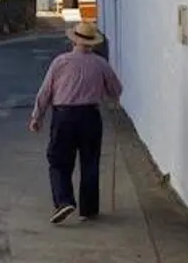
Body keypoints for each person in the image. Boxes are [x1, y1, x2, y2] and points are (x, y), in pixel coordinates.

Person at [28, 21, 123, 224]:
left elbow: (45, 91)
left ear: (73, 40)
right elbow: (116, 89)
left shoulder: (60, 62)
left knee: (58, 161)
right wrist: (104, 93)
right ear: (92, 43)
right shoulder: (101, 64)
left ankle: (64, 201)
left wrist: (37, 117)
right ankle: (88, 210)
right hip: (90, 116)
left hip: (64, 116)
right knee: (90, 162)